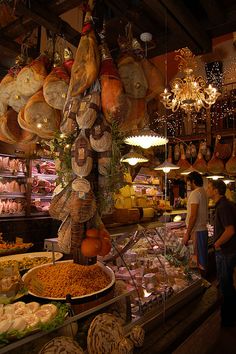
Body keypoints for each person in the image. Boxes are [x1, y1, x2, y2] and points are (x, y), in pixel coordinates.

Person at [207, 179, 236, 327]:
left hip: (225, 252)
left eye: (209, 187)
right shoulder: (226, 204)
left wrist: (217, 243)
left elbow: (230, 230)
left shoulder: (223, 207)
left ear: (216, 190)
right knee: (227, 285)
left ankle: (228, 319)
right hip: (229, 251)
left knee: (225, 286)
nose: (207, 189)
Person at [183, 171, 208, 276]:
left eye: (189, 182)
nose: (188, 185)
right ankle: (202, 282)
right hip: (202, 230)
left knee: (196, 260)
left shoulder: (195, 193)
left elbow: (193, 215)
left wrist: (187, 233)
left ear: (193, 181)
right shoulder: (203, 192)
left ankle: (199, 284)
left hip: (196, 232)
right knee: (201, 260)